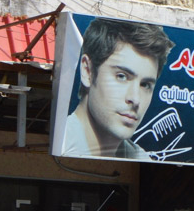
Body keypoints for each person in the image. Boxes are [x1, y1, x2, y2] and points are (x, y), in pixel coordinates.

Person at [59, 19, 174, 161]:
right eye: (122, 76)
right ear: (87, 71)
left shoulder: (141, 158)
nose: (135, 99)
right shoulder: (62, 140)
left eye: (145, 85)